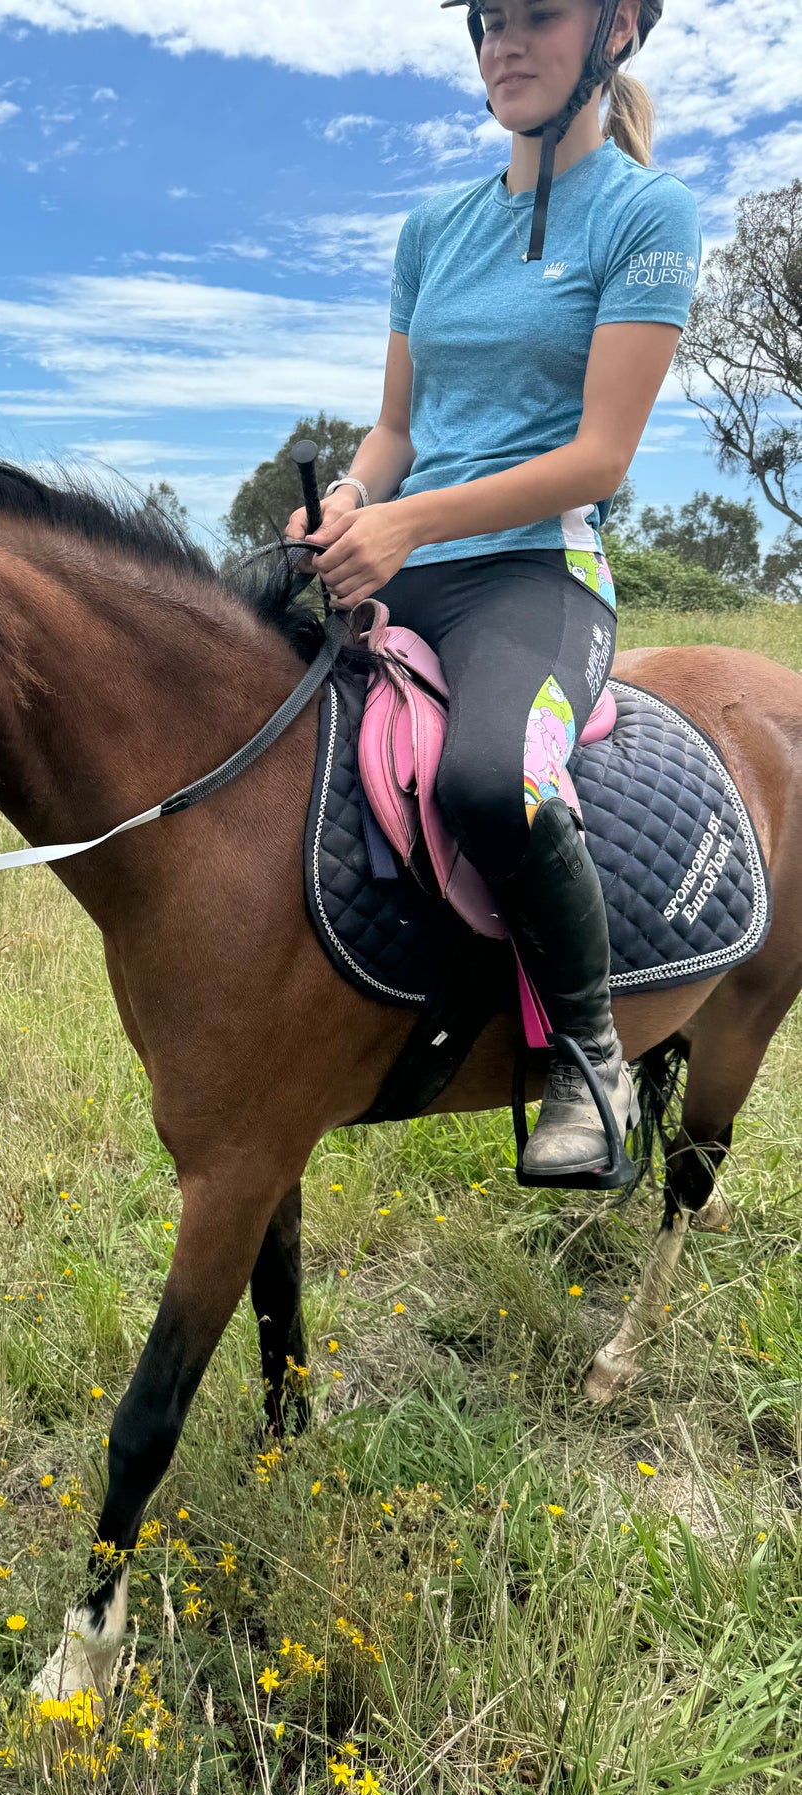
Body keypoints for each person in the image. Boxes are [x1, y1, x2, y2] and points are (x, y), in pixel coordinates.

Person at [288, 0, 700, 1183]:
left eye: (537, 18)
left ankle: (590, 1056)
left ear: (613, 29)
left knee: (486, 779)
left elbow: (597, 458)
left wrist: (403, 519)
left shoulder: (646, 214)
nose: (504, 47)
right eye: (488, 24)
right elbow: (395, 429)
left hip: (535, 573)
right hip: (398, 557)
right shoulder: (430, 228)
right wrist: (350, 505)